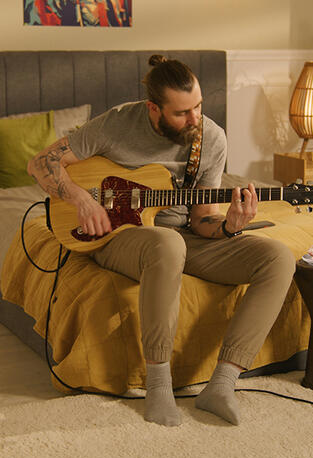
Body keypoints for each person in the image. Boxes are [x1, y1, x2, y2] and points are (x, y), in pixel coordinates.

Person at [27, 55, 296, 427]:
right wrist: (81, 199)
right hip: (120, 235)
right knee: (168, 246)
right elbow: (41, 163)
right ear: (154, 109)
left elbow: (203, 220)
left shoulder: (211, 138)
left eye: (199, 106)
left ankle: (221, 384)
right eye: (183, 112)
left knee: (278, 257)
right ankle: (158, 385)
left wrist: (231, 226)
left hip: (184, 234)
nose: (195, 119)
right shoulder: (118, 122)